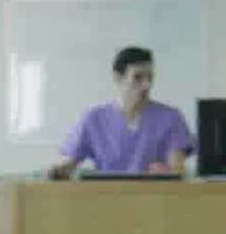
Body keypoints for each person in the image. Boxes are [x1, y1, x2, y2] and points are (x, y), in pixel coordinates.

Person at [47, 46, 194, 179]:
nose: (146, 85)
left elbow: (177, 170)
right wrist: (60, 169)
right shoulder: (94, 118)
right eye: (138, 78)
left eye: (150, 78)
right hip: (107, 199)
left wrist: (167, 172)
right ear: (118, 77)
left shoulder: (170, 118)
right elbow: (67, 163)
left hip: (156, 201)